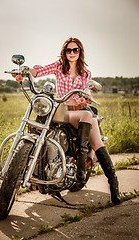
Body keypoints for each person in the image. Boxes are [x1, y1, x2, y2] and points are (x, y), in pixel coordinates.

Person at [15, 37, 120, 205]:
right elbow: (40, 70)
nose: (72, 53)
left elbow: (88, 91)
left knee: (95, 135)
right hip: (63, 111)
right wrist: (26, 71)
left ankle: (112, 183)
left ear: (80, 52)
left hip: (80, 112)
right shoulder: (58, 66)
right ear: (64, 52)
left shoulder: (86, 73)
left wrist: (85, 98)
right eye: (68, 50)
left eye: (75, 50)